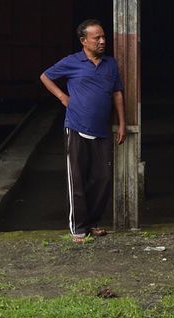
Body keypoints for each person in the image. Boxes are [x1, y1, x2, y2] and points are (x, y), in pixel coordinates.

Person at [40, 20, 126, 243]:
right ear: (83, 41)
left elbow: (117, 93)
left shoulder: (110, 64)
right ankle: (78, 227)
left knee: (103, 178)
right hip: (77, 127)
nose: (102, 41)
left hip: (102, 130)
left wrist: (122, 123)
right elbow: (45, 76)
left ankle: (93, 222)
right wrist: (62, 97)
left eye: (103, 37)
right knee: (77, 179)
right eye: (97, 38)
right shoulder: (72, 62)